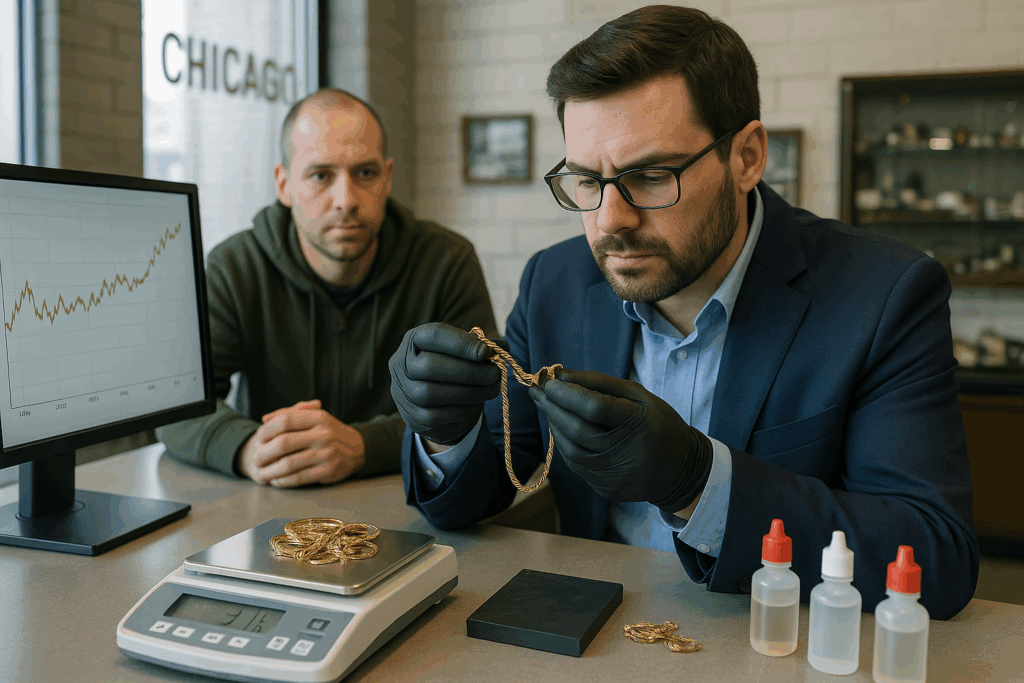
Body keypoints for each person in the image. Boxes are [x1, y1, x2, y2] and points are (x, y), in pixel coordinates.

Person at [388, 6, 978, 620]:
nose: (611, 221)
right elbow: (477, 495)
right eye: (587, 181)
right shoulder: (555, 283)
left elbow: (935, 555)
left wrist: (698, 483)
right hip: (591, 636)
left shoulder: (883, 295)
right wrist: (445, 434)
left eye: (650, 176)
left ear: (746, 157)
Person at [158, 88, 497, 487]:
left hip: (406, 496)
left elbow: (487, 407)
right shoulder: (235, 267)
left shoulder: (447, 262)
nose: (345, 200)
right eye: (321, 175)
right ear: (283, 185)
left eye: (365, 173)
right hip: (272, 504)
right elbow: (177, 406)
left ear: (387, 178)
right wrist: (248, 448)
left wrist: (365, 446)